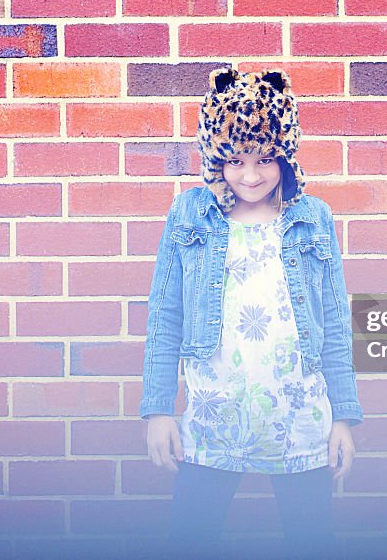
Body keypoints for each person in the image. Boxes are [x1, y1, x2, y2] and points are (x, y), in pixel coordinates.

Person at [140, 67, 363, 559]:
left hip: (302, 420)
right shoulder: (189, 215)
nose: (251, 173)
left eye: (266, 158)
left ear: (286, 157)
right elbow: (165, 317)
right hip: (211, 420)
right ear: (216, 156)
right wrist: (158, 410)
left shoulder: (313, 218)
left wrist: (343, 418)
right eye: (236, 159)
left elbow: (333, 326)